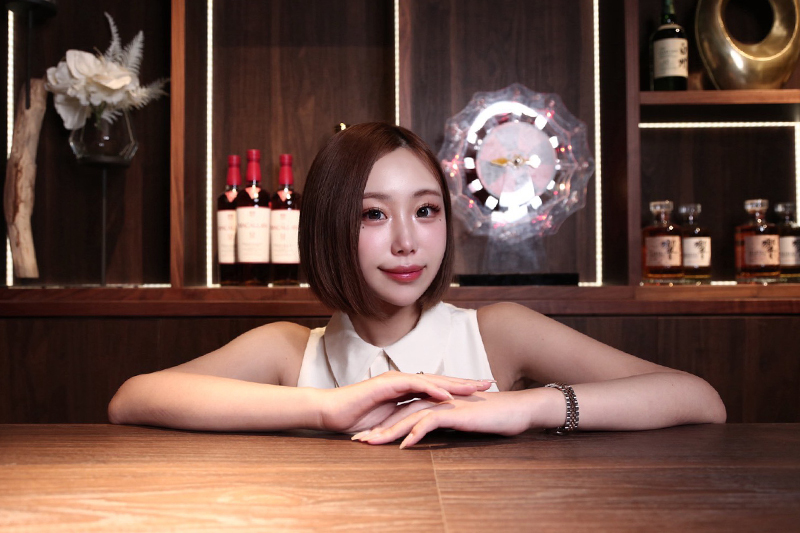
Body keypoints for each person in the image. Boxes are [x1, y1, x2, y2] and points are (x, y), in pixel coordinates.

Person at [108, 122, 726, 448]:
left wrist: (528, 407)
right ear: (328, 227)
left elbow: (698, 400)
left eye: (426, 210)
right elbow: (133, 399)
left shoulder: (498, 333)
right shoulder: (289, 351)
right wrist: (325, 409)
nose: (407, 241)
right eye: (373, 214)